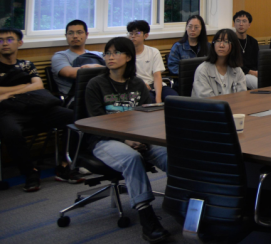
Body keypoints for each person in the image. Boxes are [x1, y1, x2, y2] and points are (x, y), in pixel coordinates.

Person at [86, 37, 170, 243]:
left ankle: (184, 202)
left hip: (138, 137)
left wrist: (141, 138)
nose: (110, 57)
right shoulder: (95, 84)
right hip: (104, 140)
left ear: (129, 57)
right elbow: (97, 123)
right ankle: (147, 219)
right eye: (107, 53)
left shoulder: (138, 84)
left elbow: (147, 116)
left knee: (170, 155)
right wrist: (126, 140)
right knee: (132, 158)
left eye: (116, 52)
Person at [0, 27, 76, 191]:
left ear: (20, 43)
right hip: (9, 111)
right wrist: (25, 87)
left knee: (75, 117)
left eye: (9, 39)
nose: (5, 43)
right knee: (11, 132)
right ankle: (30, 172)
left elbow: (38, 85)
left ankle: (65, 163)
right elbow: (31, 86)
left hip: (36, 107)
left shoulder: (26, 64)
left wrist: (9, 92)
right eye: (1, 40)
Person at [51, 19, 104, 97]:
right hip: (76, 97)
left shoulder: (98, 54)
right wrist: (100, 68)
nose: (75, 36)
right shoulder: (60, 56)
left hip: (101, 94)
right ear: (66, 36)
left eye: (79, 32)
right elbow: (70, 73)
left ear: (86, 35)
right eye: (70, 33)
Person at [127, 20, 177, 103]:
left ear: (146, 35)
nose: (133, 36)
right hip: (138, 87)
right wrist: (140, 84)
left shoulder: (153, 52)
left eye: (137, 33)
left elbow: (157, 76)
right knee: (150, 101)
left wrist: (158, 97)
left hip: (156, 86)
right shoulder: (126, 55)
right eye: (131, 33)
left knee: (175, 99)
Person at [192, 29, 248, 98]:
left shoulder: (237, 70)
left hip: (233, 105)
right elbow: (207, 100)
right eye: (218, 41)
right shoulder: (203, 70)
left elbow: (242, 97)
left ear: (234, 45)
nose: (221, 45)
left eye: (226, 42)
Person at [232, 10, 260, 89]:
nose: (241, 24)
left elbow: (258, 61)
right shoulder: (230, 42)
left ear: (249, 25)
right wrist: (250, 72)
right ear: (234, 24)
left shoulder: (253, 42)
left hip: (255, 73)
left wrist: (258, 72)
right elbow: (232, 63)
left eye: (244, 21)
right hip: (238, 74)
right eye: (238, 21)